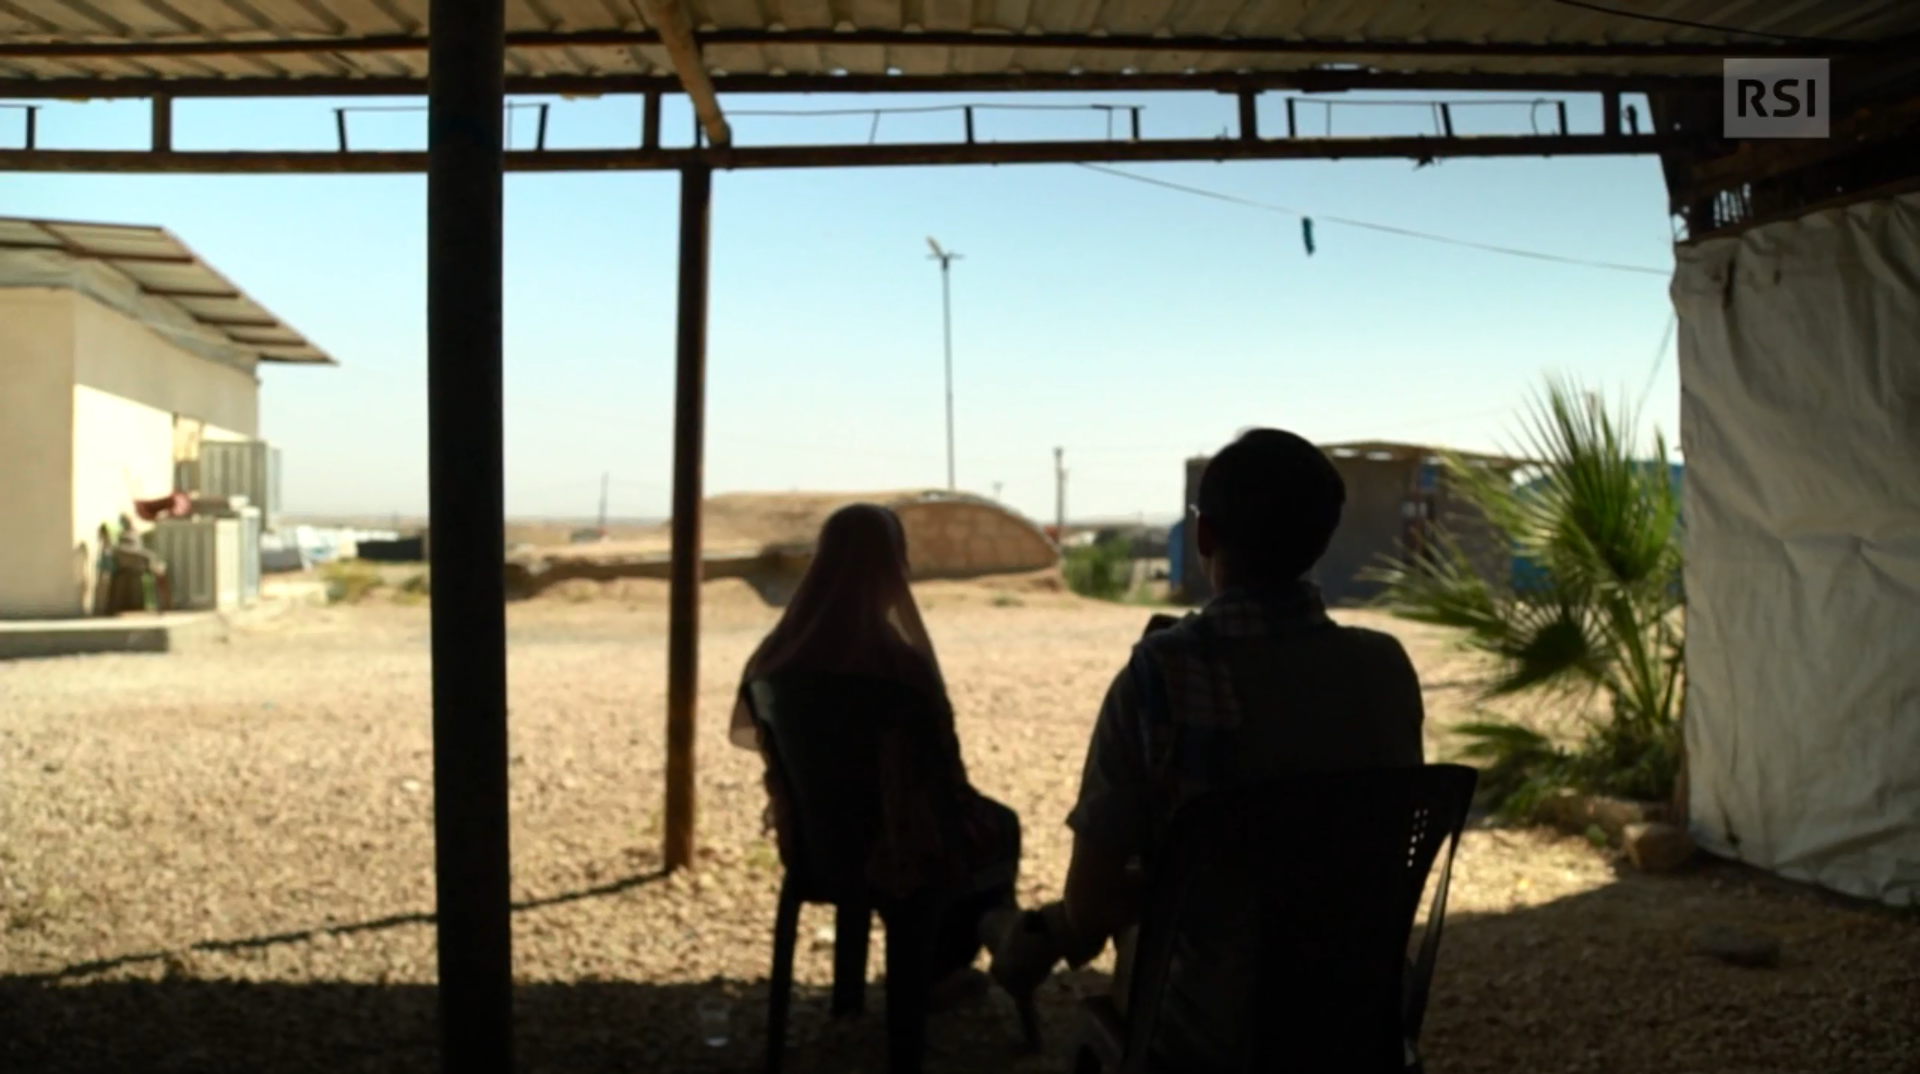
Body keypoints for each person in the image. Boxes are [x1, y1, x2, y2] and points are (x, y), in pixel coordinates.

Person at [986, 429, 1427, 1069]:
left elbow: (1093, 902)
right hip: (1355, 1021)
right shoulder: (1385, 667)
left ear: (1205, 537)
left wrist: (1061, 928)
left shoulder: (1160, 677)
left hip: (1213, 1032)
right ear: (1324, 539)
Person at [731, 503, 1020, 1006]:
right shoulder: (899, 666)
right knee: (1001, 825)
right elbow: (942, 776)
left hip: (816, 848)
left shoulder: (776, 659)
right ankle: (939, 971)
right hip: (901, 850)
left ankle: (854, 995)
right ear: (892, 568)